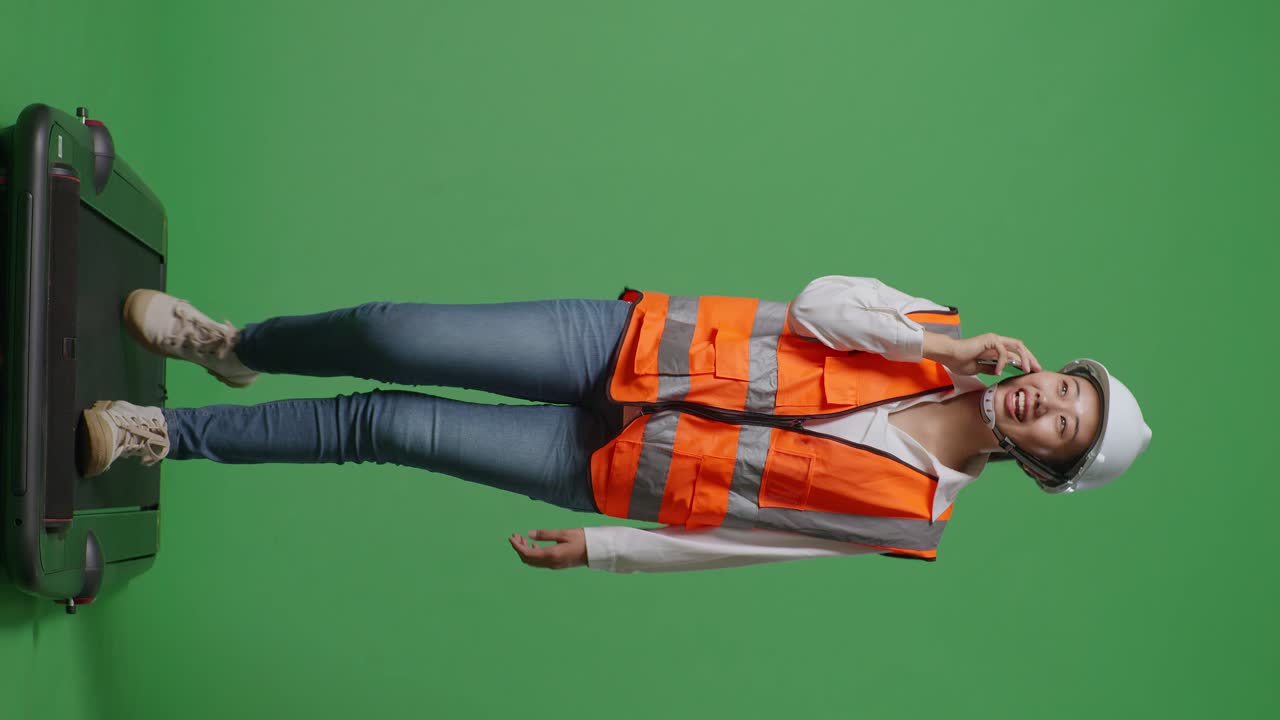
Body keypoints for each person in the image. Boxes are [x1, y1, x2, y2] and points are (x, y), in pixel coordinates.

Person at [78, 276, 1152, 573]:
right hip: (626, 345)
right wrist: (936, 348)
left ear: (1043, 464)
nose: (1048, 402)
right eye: (1066, 387)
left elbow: (751, 543)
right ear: (1049, 371)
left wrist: (604, 551)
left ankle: (165, 433)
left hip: (613, 468)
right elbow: (822, 301)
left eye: (1063, 426)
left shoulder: (913, 520)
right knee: (392, 334)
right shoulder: (939, 332)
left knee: (388, 427)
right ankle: (236, 346)